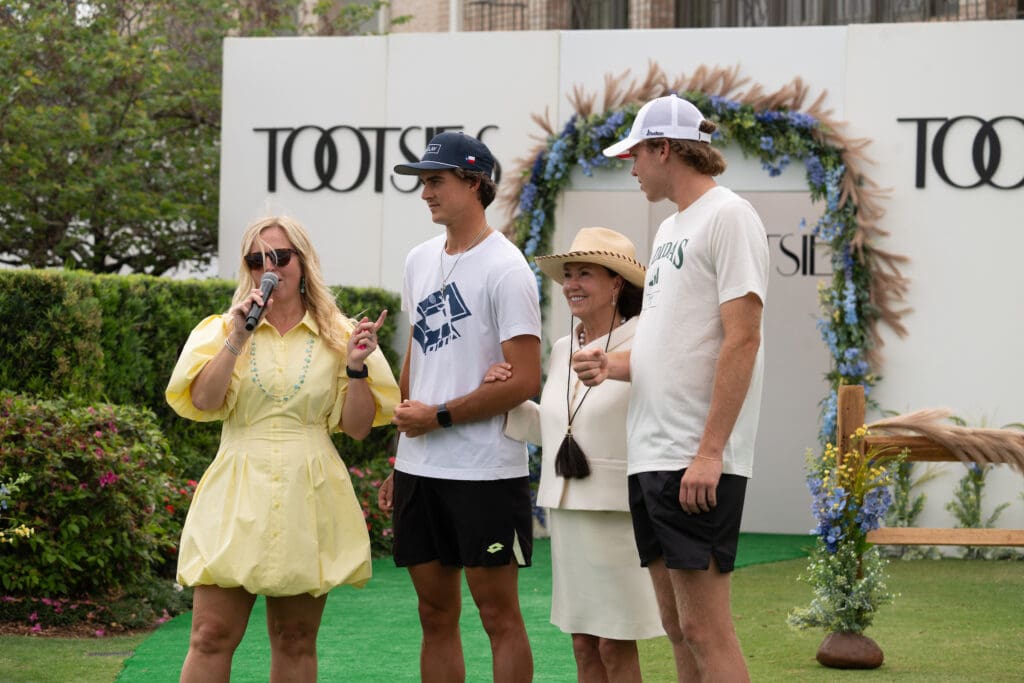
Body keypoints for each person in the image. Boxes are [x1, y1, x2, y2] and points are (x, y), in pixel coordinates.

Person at [572, 95, 769, 682]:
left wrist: (710, 452)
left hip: (693, 457)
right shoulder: (669, 230)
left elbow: (744, 339)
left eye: (635, 153)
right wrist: (614, 366)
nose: (630, 166)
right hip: (653, 455)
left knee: (707, 630)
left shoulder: (729, 216)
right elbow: (670, 344)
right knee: (678, 627)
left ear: (663, 148)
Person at [165, 216, 400, 683]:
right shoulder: (222, 329)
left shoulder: (341, 333)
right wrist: (237, 337)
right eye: (256, 260)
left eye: (279, 257)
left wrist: (356, 368)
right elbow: (203, 401)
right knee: (210, 634)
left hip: (307, 491)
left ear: (303, 262)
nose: (268, 268)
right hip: (236, 486)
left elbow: (355, 428)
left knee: (295, 640)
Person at [376, 131, 542, 683]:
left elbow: (524, 379)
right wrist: (401, 454)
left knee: (498, 615)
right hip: (420, 471)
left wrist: (438, 416)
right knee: (434, 615)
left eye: (436, 181)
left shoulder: (507, 268)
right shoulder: (418, 260)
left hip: (485, 472)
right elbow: (415, 360)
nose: (425, 193)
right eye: (422, 182)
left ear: (475, 183)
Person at [489, 227, 665, 682]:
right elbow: (558, 429)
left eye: (585, 273)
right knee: (584, 645)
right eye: (567, 274)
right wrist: (505, 395)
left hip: (619, 512)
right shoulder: (565, 346)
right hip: (567, 510)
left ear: (616, 284)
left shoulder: (650, 341)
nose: (571, 284)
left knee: (613, 644)